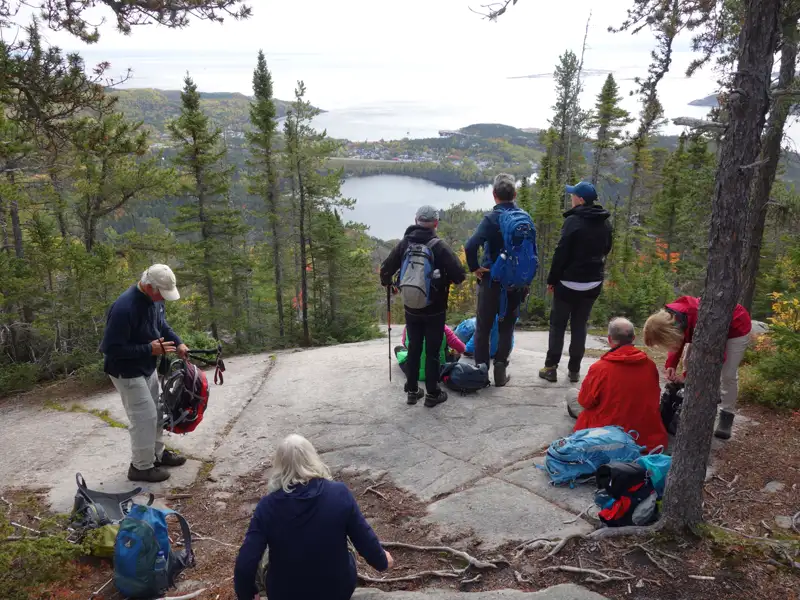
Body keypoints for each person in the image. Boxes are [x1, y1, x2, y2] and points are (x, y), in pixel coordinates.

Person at [233, 434, 393, 600]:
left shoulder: (267, 506)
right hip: (337, 591)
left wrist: (248, 594)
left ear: (279, 466)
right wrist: (382, 560)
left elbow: (245, 563)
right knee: (345, 533)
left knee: (265, 550)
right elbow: (363, 537)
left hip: (285, 594)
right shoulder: (339, 493)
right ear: (312, 458)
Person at [100, 264, 189, 483]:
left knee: (158, 412)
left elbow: (161, 325)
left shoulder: (155, 301)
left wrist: (178, 343)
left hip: (146, 366)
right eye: (161, 294)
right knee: (144, 417)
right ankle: (140, 467)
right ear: (150, 286)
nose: (163, 299)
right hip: (126, 371)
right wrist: (150, 349)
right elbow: (111, 349)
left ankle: (156, 455)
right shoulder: (124, 308)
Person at [380, 205, 466, 407]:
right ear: (435, 223)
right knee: (433, 351)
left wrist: (391, 285)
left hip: (411, 307)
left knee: (414, 347)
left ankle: (411, 391)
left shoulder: (404, 244)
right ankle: (432, 394)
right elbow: (460, 275)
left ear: (416, 220)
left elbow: (385, 270)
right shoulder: (439, 246)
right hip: (435, 308)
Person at [643, 296, 752, 440]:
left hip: (736, 328)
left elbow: (714, 358)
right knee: (688, 359)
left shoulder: (702, 320)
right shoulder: (674, 319)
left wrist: (688, 376)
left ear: (668, 333)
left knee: (728, 374)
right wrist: (671, 365)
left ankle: (727, 415)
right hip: (704, 329)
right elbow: (677, 340)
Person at [540, 181, 613, 384]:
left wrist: (552, 280)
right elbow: (606, 249)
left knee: (558, 325)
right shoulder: (604, 222)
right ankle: (574, 370)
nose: (571, 197)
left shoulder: (573, 221)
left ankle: (551, 368)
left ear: (580, 199)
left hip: (568, 283)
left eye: (573, 195)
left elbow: (561, 253)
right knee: (580, 325)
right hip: (592, 283)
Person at [464, 173, 531, 386]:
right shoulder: (524, 218)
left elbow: (470, 245)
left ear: (494, 195)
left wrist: (475, 268)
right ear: (515, 194)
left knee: (483, 327)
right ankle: (501, 367)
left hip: (492, 281)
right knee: (506, 326)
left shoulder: (491, 219)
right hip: (515, 283)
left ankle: (482, 372)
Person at [567, 318, 667, 452]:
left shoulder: (600, 368)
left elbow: (585, 402)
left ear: (609, 339)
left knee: (572, 393)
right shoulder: (650, 365)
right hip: (644, 435)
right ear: (633, 338)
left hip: (608, 434)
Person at [395, 324, 466, 378]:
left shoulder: (409, 326)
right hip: (440, 371)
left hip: (414, 373)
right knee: (452, 352)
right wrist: (451, 351)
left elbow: (405, 344)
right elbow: (462, 348)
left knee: (398, 349)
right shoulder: (443, 327)